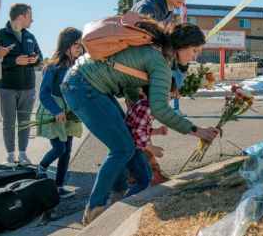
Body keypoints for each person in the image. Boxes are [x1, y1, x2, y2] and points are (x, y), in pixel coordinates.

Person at [61, 20, 219, 225]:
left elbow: (128, 79)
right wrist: (197, 131)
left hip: (89, 85)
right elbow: (161, 109)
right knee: (122, 149)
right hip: (84, 87)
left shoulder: (155, 51)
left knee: (139, 168)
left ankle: (119, 201)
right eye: (194, 50)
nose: (195, 56)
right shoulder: (160, 62)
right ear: (181, 46)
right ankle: (95, 210)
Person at [131, 0, 193, 115]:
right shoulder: (148, 10)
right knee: (135, 134)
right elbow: (145, 51)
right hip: (133, 78)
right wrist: (168, 83)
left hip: (143, 77)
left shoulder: (168, 11)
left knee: (142, 133)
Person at [35, 27, 84, 199]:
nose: (80, 47)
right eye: (76, 44)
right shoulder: (53, 66)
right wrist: (56, 110)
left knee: (67, 150)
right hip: (53, 110)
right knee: (59, 148)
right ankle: (41, 167)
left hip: (69, 111)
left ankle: (59, 186)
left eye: (81, 44)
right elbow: (44, 93)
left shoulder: (78, 65)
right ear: (66, 45)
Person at [0, 3, 43, 164]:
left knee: (24, 122)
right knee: (8, 122)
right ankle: (10, 155)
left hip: (28, 88)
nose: (32, 20)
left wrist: (35, 60)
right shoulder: (0, 35)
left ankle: (22, 154)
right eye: (30, 16)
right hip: (7, 88)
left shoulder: (30, 36)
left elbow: (40, 59)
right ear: (21, 16)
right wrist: (14, 61)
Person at [124, 85, 170, 195]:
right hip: (131, 145)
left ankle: (151, 177)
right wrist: (152, 149)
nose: (169, 100)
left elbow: (142, 129)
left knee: (143, 176)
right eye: (168, 97)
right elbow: (138, 132)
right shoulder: (146, 106)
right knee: (143, 180)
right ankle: (125, 201)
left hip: (133, 144)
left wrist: (157, 131)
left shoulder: (146, 104)